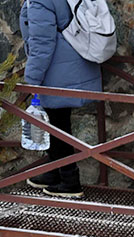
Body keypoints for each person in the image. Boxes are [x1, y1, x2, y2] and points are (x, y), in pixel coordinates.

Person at [19, 0, 102, 199]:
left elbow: (41, 44)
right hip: (72, 66)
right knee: (57, 120)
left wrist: (31, 80)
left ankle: (69, 181)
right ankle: (55, 172)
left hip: (58, 71)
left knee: (57, 124)